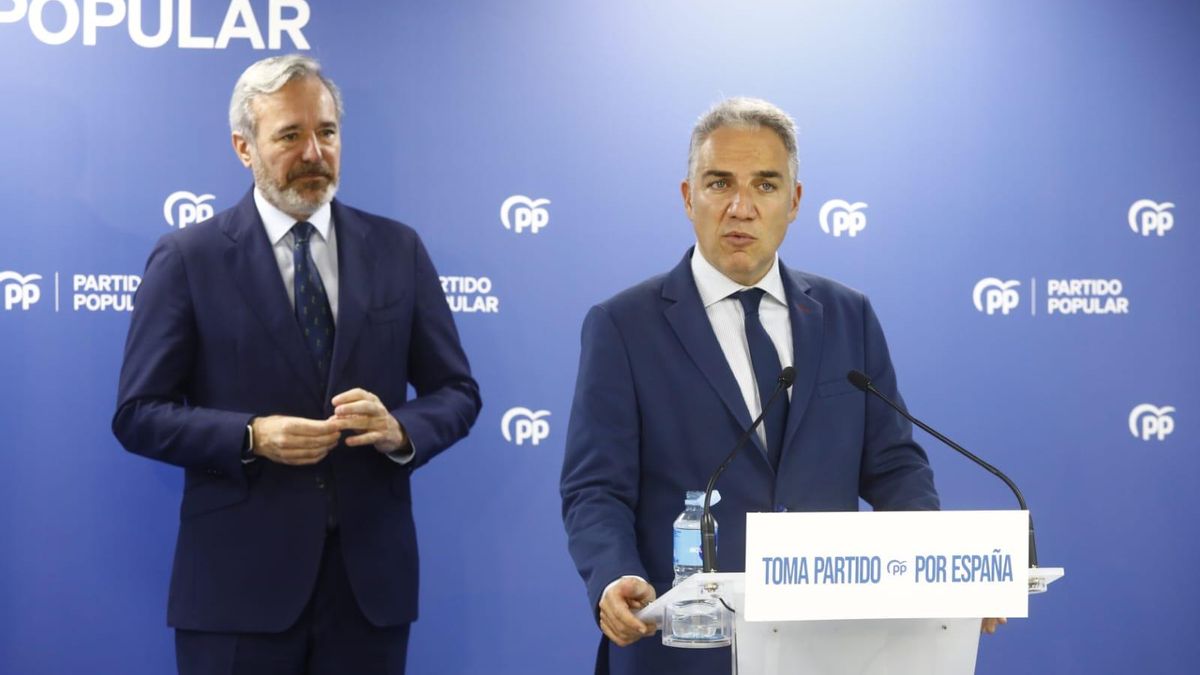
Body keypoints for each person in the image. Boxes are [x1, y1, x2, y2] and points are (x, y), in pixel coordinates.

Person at [113, 55, 481, 675]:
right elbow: (138, 414)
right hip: (236, 595)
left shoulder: (398, 249)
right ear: (244, 147)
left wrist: (399, 429)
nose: (314, 152)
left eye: (327, 133)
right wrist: (251, 436)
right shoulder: (188, 258)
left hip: (369, 595)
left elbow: (457, 391)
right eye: (289, 135)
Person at [559, 97, 941, 674]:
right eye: (719, 184)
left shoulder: (847, 316)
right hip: (685, 650)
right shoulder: (623, 325)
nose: (741, 207)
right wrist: (614, 574)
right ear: (689, 198)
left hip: (829, 644)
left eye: (765, 186)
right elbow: (595, 488)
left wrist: (937, 572)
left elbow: (894, 467)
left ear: (794, 201)